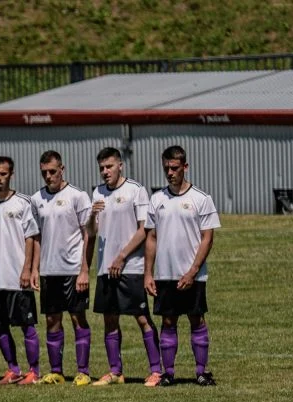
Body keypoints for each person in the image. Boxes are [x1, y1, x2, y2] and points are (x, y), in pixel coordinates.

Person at [144, 145, 221, 387]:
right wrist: (148, 274)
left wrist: (192, 271)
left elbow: (207, 238)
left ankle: (201, 371)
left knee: (196, 319)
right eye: (166, 168)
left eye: (175, 168)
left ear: (185, 167)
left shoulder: (201, 198)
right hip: (165, 274)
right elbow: (152, 238)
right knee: (168, 321)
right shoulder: (157, 199)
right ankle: (169, 373)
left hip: (193, 275)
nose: (170, 172)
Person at [87, 148, 164, 387]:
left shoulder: (135, 190)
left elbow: (145, 229)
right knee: (110, 320)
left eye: (109, 166)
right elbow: (91, 232)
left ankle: (156, 371)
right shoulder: (97, 193)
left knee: (141, 317)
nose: (105, 172)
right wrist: (91, 216)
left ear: (120, 165)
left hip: (131, 266)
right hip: (105, 268)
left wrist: (122, 256)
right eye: (101, 168)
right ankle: (115, 372)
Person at [0, 156, 41, 385]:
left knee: (26, 325)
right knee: (0, 326)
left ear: (11, 174)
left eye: (3, 174)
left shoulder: (22, 202)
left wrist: (27, 269)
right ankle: (13, 369)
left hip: (17, 278)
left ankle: (34, 371)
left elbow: (31, 238)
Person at [30, 150, 93, 386]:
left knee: (78, 318)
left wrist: (84, 269)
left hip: (73, 271)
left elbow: (88, 234)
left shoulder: (77, 196)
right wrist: (35, 269)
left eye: (52, 172)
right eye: (44, 172)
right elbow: (36, 237)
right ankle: (56, 371)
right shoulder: (36, 199)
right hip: (49, 271)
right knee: (51, 320)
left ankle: (83, 371)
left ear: (62, 169)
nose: (48, 176)